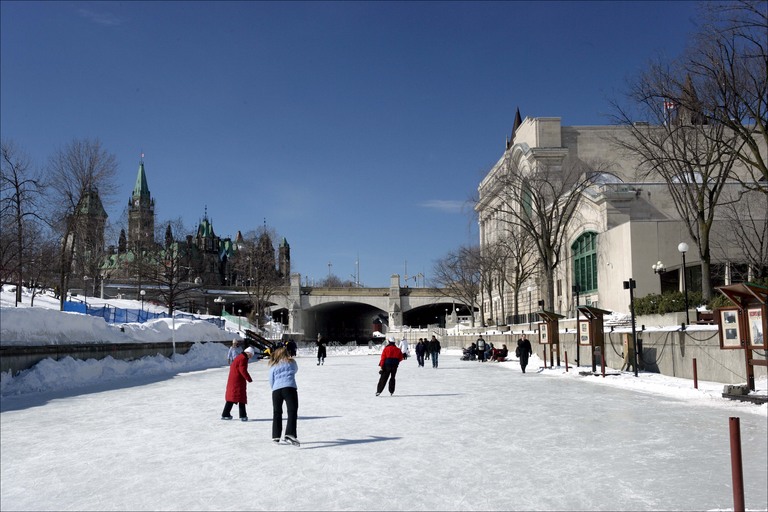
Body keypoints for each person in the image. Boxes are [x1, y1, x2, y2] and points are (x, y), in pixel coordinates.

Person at [268, 345, 300, 446]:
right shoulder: (291, 362)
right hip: (289, 388)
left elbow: (271, 379)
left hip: (276, 390)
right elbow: (295, 370)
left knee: (277, 412)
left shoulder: (273, 365)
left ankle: (276, 436)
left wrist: (275, 388)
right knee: (292, 411)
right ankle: (289, 434)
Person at [221, 346, 256, 421]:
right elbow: (242, 370)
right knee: (241, 398)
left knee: (233, 397)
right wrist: (249, 378)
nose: (250, 357)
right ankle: (242, 415)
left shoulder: (240, 357)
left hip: (234, 380)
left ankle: (226, 413)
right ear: (248, 353)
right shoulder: (243, 358)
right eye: (251, 355)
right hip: (238, 381)